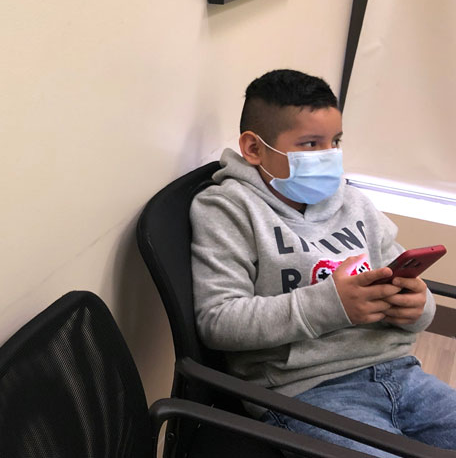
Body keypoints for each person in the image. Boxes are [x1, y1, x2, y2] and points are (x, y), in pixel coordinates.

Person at [190, 69, 456, 455]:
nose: (329, 156)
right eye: (311, 143)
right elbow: (218, 322)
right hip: (307, 391)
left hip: (400, 374)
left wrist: (417, 305)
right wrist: (334, 305)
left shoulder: (352, 201)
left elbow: (403, 277)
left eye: (335, 142)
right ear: (254, 149)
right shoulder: (227, 210)